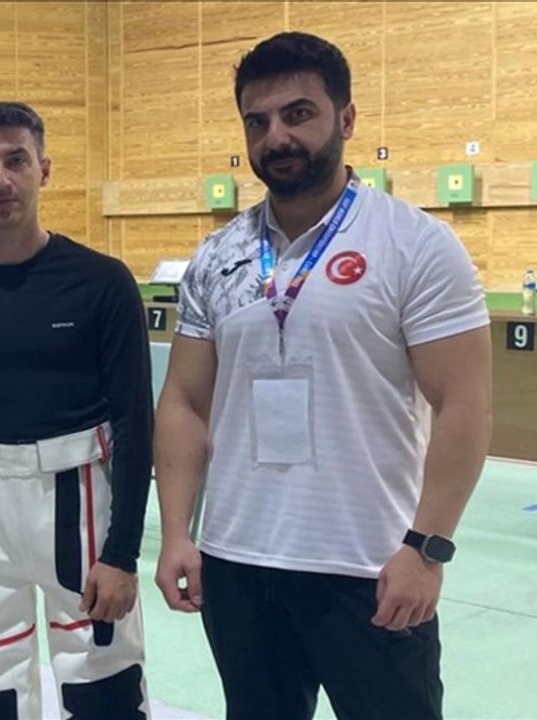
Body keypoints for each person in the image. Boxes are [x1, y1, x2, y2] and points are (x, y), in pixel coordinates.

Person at [154, 32, 492, 720]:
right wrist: (176, 533)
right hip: (238, 563)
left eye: (298, 114)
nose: (277, 136)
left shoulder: (414, 243)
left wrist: (426, 550)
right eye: (257, 121)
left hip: (371, 567)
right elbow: (185, 402)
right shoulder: (218, 255)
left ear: (347, 118)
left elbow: (465, 404)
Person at [0, 100, 154, 719]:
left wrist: (122, 554)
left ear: (44, 168)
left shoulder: (102, 283)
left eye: (16, 161)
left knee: (102, 686)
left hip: (80, 501)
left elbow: (135, 424)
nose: (0, 179)